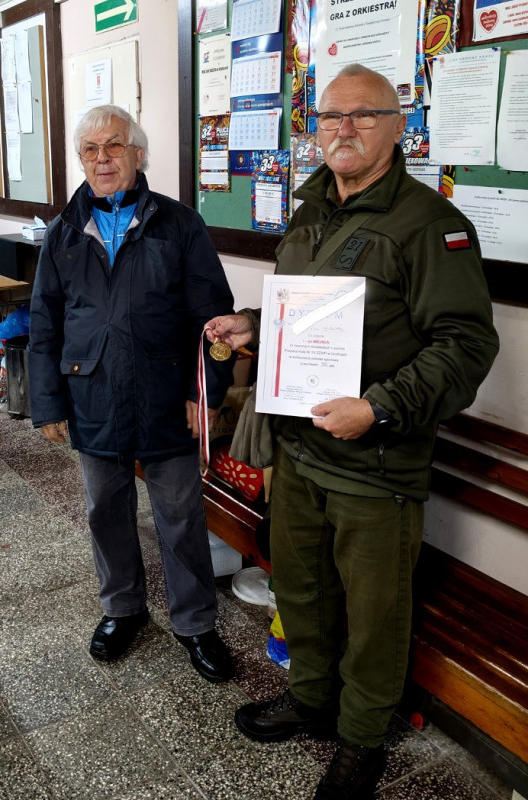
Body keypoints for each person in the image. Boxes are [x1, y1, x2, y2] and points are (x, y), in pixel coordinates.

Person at [205, 64, 499, 799]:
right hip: (300, 449)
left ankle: (362, 738)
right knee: (301, 589)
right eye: (329, 116)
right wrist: (254, 325)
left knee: (374, 616)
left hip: (376, 462)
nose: (342, 128)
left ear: (397, 128)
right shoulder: (310, 212)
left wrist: (378, 407)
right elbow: (309, 317)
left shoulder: (430, 225)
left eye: (363, 115)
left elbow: (465, 347)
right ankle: (311, 698)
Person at [29, 105, 236, 683]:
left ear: (138, 154)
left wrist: (204, 390)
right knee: (105, 510)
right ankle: (122, 609)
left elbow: (213, 318)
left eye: (115, 146)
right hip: (91, 391)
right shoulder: (63, 232)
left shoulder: (179, 224)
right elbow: (45, 322)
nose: (103, 159)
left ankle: (195, 622)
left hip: (166, 394)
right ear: (80, 159)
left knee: (180, 514)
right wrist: (47, 402)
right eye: (90, 149)